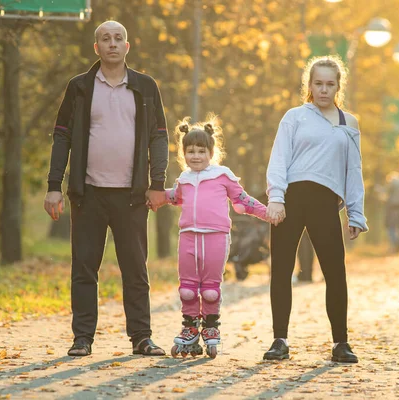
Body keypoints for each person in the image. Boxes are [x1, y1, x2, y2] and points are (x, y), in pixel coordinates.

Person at [43, 21, 168, 357]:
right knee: (84, 267)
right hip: (89, 193)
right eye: (105, 39)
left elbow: (158, 136)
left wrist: (158, 184)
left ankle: (141, 337)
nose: (112, 43)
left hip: (132, 195)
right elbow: (62, 136)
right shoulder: (80, 87)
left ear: (128, 46)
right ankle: (82, 338)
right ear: (96, 47)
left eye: (118, 38)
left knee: (135, 269)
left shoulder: (145, 86)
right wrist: (55, 185)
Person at [264, 55, 368, 363]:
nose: (323, 90)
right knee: (281, 270)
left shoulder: (349, 123)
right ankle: (279, 340)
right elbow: (279, 158)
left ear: (338, 86)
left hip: (326, 203)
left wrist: (356, 212)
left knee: (335, 273)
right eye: (318, 83)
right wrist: (276, 197)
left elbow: (353, 169)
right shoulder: (295, 116)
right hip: (291, 200)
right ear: (309, 85)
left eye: (330, 84)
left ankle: (341, 343)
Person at [163, 117, 268, 358]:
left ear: (211, 152)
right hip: (188, 237)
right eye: (190, 151)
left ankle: (210, 327)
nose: (196, 156)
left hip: (216, 238)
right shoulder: (184, 179)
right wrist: (151, 197)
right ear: (183, 153)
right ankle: (190, 327)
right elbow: (173, 197)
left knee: (210, 289)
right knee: (188, 289)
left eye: (201, 151)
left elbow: (242, 200)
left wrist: (267, 212)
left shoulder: (222, 175)